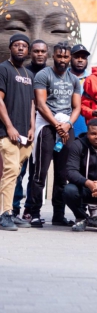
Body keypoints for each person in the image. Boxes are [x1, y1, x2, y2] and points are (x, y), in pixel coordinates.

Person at [29, 42, 82, 227]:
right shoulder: (44, 75)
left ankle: (58, 215)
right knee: (40, 173)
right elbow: (40, 104)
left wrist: (67, 125)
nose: (62, 60)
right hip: (47, 126)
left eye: (66, 56)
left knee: (62, 174)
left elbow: (77, 107)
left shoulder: (74, 79)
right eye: (59, 56)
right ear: (53, 56)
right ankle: (34, 213)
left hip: (66, 127)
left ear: (70, 58)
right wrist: (56, 125)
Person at [0, 34, 35, 231]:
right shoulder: (3, 69)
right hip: (7, 132)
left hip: (24, 134)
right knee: (10, 171)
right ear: (10, 48)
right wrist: (9, 126)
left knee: (16, 174)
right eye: (16, 45)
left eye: (24, 46)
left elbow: (32, 103)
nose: (20, 48)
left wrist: (32, 127)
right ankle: (4, 214)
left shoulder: (29, 74)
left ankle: (11, 212)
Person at [13, 39, 48, 221]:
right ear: (30, 53)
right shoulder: (22, 72)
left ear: (47, 54)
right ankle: (13, 209)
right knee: (18, 171)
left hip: (42, 130)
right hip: (21, 128)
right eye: (36, 51)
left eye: (42, 51)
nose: (39, 54)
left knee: (36, 173)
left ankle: (30, 209)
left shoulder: (50, 73)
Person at [69, 44, 91, 137]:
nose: (80, 60)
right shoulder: (62, 77)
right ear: (70, 58)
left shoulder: (92, 80)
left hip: (86, 131)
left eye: (83, 57)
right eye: (76, 57)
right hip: (64, 128)